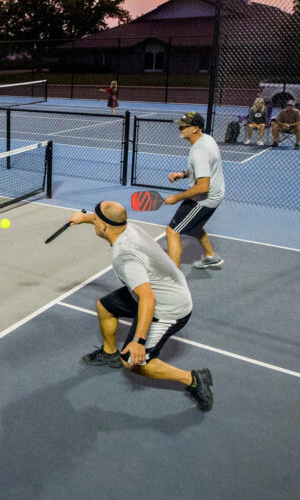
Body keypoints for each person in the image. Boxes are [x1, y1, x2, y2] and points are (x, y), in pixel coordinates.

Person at [69, 201, 213, 412]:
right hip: (160, 287)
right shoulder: (126, 227)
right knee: (105, 307)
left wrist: (138, 341)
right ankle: (109, 353)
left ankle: (193, 379)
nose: (94, 222)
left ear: (104, 227)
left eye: (95, 220)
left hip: (169, 307)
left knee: (133, 362)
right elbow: (107, 219)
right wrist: (83, 218)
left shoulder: (125, 256)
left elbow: (148, 298)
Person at [163, 111, 225, 269]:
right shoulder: (207, 139)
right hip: (215, 194)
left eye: (184, 126)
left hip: (205, 198)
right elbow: (203, 169)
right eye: (180, 125)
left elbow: (203, 186)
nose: (180, 128)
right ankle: (211, 256)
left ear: (196, 128)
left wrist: (176, 197)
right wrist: (182, 174)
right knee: (195, 224)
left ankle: (174, 278)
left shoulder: (200, 151)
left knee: (172, 231)